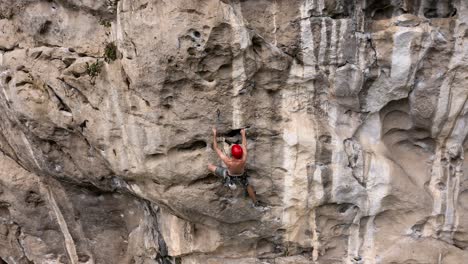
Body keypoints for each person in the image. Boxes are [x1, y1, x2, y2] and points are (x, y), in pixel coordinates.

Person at [207, 128, 258, 205]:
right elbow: (244, 145)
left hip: (229, 175)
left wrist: (214, 135)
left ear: (232, 154)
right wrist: (243, 134)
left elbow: (216, 148)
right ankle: (255, 202)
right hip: (241, 175)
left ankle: (227, 182)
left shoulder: (228, 161)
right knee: (248, 186)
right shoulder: (243, 159)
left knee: (210, 166)